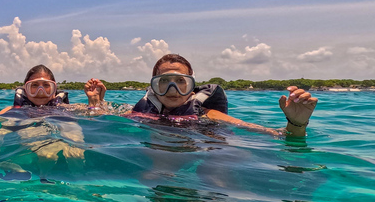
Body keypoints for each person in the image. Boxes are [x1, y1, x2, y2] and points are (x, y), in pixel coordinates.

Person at [131, 54, 318, 137]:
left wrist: (296, 124)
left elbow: (275, 135)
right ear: (153, 86)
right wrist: (99, 108)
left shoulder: (209, 114)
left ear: (191, 86)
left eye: (181, 82)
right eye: (164, 81)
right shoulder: (140, 111)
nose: (173, 90)